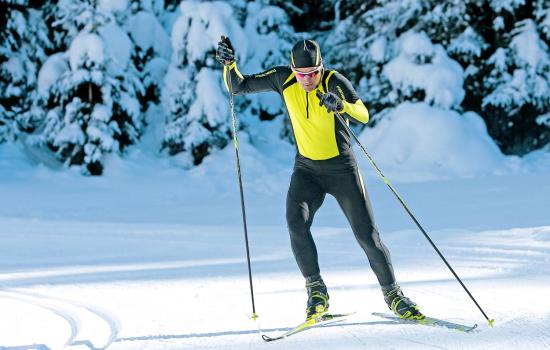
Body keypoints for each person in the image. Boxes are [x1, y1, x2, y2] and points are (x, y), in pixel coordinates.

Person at [216, 36, 424, 321]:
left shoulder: (334, 81)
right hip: (307, 171)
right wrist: (229, 65)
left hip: (342, 170)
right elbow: (237, 86)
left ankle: (394, 296)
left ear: (321, 67)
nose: (308, 79)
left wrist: (341, 105)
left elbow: (363, 113)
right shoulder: (282, 79)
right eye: (302, 74)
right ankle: (317, 292)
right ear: (293, 70)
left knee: (367, 236)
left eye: (313, 73)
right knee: (296, 224)